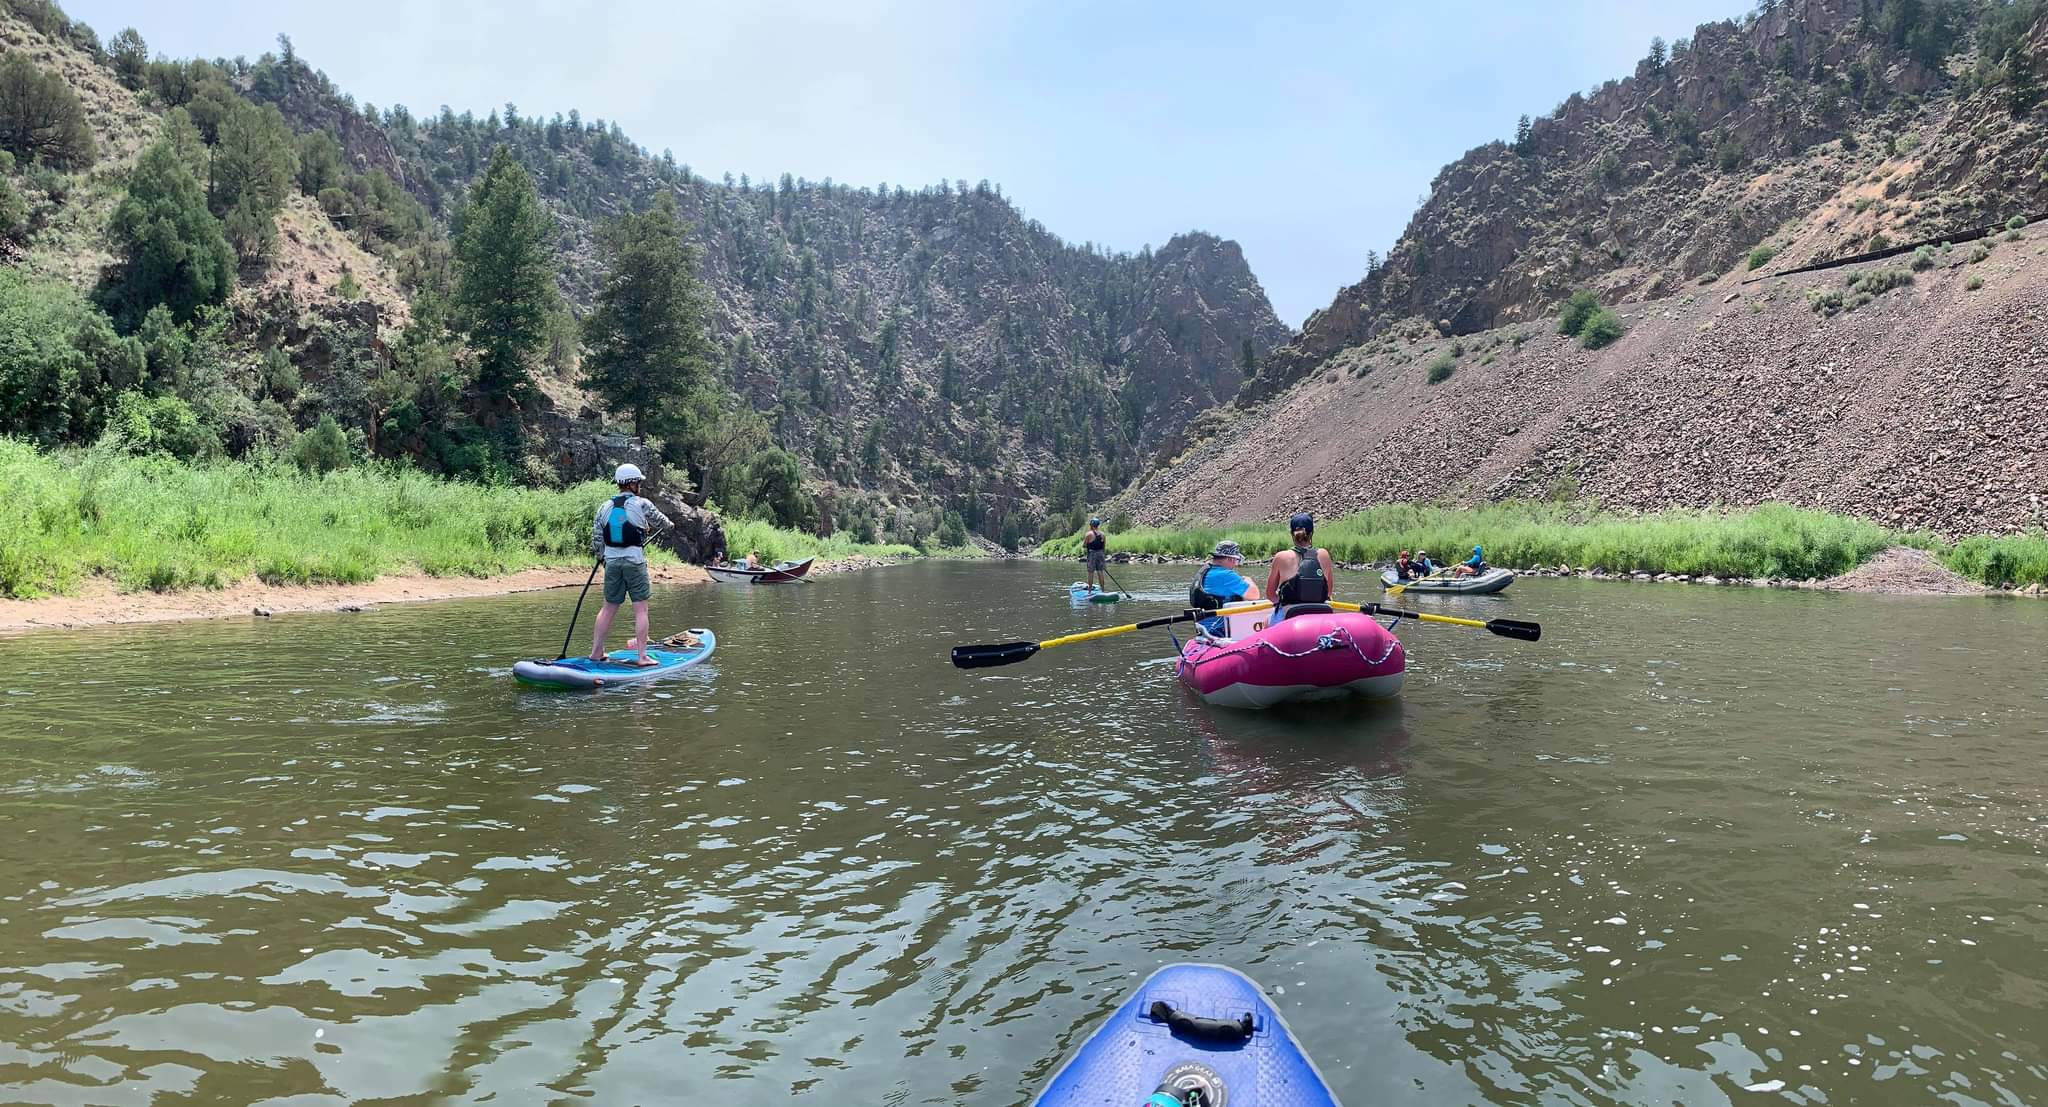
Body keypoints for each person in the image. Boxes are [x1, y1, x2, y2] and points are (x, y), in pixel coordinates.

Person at [588, 463, 674, 666]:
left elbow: (597, 540)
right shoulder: (642, 503)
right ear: (633, 483)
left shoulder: (604, 507)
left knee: (608, 608)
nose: (640, 486)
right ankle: (642, 657)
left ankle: (596, 653)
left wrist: (604, 558)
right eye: (639, 482)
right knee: (641, 610)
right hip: (634, 562)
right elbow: (663, 522)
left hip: (612, 563)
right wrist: (670, 525)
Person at [1264, 512, 1337, 617]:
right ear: (1311, 533)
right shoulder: (1324, 554)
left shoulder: (1281, 557)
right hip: (1319, 614)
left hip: (1291, 615)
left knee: (1266, 622)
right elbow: (1328, 593)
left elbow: (1270, 595)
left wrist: (1283, 603)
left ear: (1291, 534)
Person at [1188, 540, 1262, 636]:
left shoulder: (1207, 571)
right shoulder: (1226, 575)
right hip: (1218, 627)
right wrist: (1248, 580)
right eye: (1236, 560)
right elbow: (1254, 595)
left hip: (1204, 625)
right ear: (1230, 559)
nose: (1235, 564)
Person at [1081, 516, 1109, 593]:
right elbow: (1103, 547)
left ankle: (1089, 591)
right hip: (1101, 554)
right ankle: (1103, 591)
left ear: (1091, 525)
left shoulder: (1088, 534)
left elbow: (1084, 545)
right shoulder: (1103, 534)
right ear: (1098, 525)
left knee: (1091, 573)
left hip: (1092, 554)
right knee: (1100, 572)